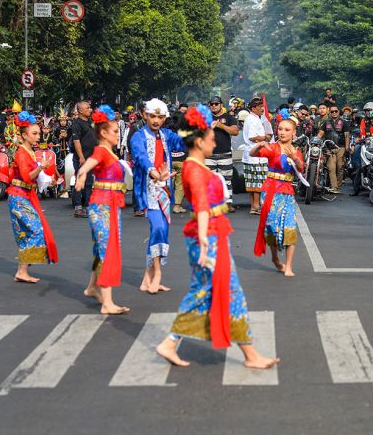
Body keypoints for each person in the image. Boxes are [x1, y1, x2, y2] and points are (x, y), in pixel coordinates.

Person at [154, 105, 279, 370]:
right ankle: (249, 355)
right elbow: (200, 207)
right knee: (222, 293)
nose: (214, 141)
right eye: (210, 137)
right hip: (208, 238)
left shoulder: (193, 166)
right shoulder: (195, 169)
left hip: (211, 237)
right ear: (199, 141)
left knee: (213, 292)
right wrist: (203, 245)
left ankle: (245, 353)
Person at [74, 105, 130, 315]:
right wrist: (82, 173)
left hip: (110, 205)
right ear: (104, 133)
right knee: (108, 250)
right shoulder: (102, 150)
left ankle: (92, 287)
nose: (118, 134)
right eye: (115, 131)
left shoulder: (110, 153)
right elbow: (90, 163)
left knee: (103, 249)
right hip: (103, 205)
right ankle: (107, 302)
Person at [130, 98, 186, 294]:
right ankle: (158, 274)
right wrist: (153, 172)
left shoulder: (167, 135)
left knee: (162, 232)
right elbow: (140, 156)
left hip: (164, 190)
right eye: (152, 116)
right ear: (145, 115)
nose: (155, 120)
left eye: (160, 117)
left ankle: (147, 278)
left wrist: (196, 129)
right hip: (148, 190)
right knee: (159, 228)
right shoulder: (138, 136)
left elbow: (183, 143)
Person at [251, 111, 304, 277]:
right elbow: (253, 154)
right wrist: (258, 145)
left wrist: (294, 157)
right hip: (270, 191)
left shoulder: (296, 151)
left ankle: (288, 266)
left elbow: (301, 168)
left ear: (294, 132)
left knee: (289, 227)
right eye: (280, 129)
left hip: (287, 192)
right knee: (272, 227)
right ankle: (275, 258)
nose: (282, 132)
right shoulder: (272, 148)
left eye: (287, 130)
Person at [7, 112, 58, 283]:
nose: (38, 137)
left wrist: (46, 180)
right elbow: (27, 176)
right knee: (36, 230)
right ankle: (22, 270)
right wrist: (41, 168)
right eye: (34, 134)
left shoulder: (29, 151)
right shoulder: (22, 153)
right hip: (19, 196)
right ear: (24, 135)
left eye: (38, 133)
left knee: (26, 234)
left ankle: (22, 271)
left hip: (24, 195)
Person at [206, 96, 239, 213]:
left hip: (225, 153)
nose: (214, 106)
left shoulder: (228, 117)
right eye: (212, 104)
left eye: (216, 103)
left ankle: (228, 203)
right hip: (208, 154)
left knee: (226, 180)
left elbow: (235, 131)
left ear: (221, 105)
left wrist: (221, 126)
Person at [70, 101, 98, 218]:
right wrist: (81, 157)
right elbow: (76, 142)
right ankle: (78, 207)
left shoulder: (91, 122)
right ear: (80, 111)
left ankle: (87, 206)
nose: (90, 110)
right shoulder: (76, 124)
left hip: (91, 158)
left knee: (89, 183)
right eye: (87, 108)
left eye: (90, 108)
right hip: (82, 158)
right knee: (80, 182)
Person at [242, 97, 269, 214]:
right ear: (254, 108)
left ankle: (253, 206)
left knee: (251, 182)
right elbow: (252, 137)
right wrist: (265, 137)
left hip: (250, 155)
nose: (262, 109)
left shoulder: (252, 118)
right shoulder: (253, 119)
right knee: (258, 182)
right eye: (260, 107)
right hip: (256, 155)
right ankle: (256, 206)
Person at [316, 105, 350, 193]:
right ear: (329, 112)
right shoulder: (326, 122)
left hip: (341, 147)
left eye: (336, 111)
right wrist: (315, 142)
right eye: (332, 111)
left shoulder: (344, 122)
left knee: (340, 167)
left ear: (339, 112)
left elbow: (347, 135)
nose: (334, 113)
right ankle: (334, 188)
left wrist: (347, 148)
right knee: (331, 168)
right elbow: (320, 134)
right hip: (329, 148)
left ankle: (338, 186)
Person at [168, 103, 189, 214]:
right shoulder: (184, 131)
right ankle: (177, 206)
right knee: (180, 184)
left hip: (169, 161)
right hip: (181, 159)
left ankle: (164, 204)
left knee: (168, 183)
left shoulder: (167, 131)